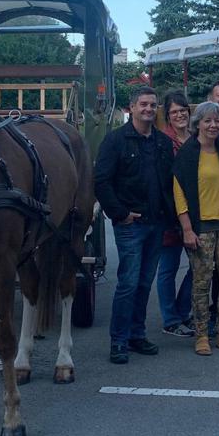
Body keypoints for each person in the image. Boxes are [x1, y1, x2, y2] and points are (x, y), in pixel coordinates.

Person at [94, 87, 175, 364]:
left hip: (156, 223)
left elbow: (168, 183)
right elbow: (101, 181)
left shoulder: (163, 143)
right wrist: (120, 213)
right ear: (132, 107)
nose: (149, 109)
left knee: (143, 283)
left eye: (153, 105)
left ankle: (136, 335)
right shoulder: (115, 141)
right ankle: (118, 341)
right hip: (131, 224)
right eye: (144, 104)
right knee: (127, 283)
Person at [174, 101, 219, 356]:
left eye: (217, 121)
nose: (213, 125)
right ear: (198, 124)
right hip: (200, 228)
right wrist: (186, 228)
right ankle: (202, 335)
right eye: (207, 121)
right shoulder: (187, 153)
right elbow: (179, 192)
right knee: (201, 285)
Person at [156, 91, 194, 337]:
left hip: (196, 213)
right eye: (174, 112)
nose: (179, 115)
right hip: (170, 214)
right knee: (168, 268)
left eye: (183, 110)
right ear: (168, 116)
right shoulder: (163, 141)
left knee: (199, 266)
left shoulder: (196, 138)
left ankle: (183, 310)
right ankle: (170, 318)